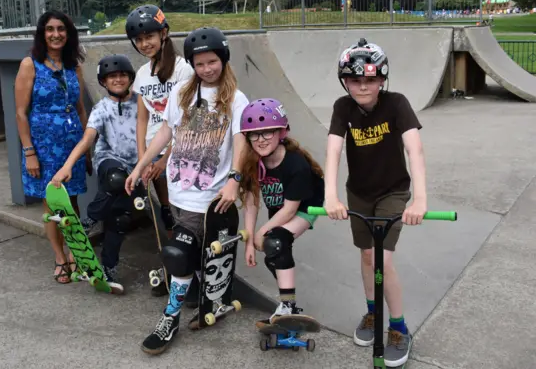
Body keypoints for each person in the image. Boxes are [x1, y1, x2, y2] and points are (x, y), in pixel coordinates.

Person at [124, 26, 249, 355]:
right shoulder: (182, 92)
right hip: (178, 193)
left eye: (212, 61)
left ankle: (170, 317)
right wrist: (141, 165)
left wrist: (235, 179)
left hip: (208, 199)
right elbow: (166, 131)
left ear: (223, 59)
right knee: (196, 253)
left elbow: (241, 141)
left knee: (176, 254)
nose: (207, 68)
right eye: (200, 63)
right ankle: (210, 298)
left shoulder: (236, 99)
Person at [323, 38, 427, 368]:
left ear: (382, 80)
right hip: (360, 192)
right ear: (345, 81)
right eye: (355, 80)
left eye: (370, 80)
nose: (362, 87)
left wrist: (420, 199)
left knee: (382, 258)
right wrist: (330, 195)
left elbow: (415, 150)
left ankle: (398, 327)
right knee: (367, 256)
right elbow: (333, 151)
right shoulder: (343, 108)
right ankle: (372, 313)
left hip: (393, 192)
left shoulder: (396, 104)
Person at [49, 54, 141, 295]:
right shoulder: (102, 108)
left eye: (122, 75)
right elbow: (88, 138)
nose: (118, 80)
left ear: (130, 78)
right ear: (103, 82)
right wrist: (68, 165)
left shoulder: (142, 103)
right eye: (112, 77)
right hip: (109, 164)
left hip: (136, 169)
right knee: (115, 179)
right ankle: (88, 222)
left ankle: (108, 268)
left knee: (119, 221)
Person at [14, 10, 92, 285]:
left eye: (61, 29)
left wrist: (87, 150)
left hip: (72, 145)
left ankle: (75, 252)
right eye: (50, 29)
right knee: (52, 204)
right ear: (42, 34)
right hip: (44, 148)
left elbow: (81, 109)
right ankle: (59, 256)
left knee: (71, 201)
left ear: (68, 34)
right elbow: (21, 113)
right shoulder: (30, 65)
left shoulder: (74, 67)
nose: (56, 34)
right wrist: (29, 153)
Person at [125, 4, 195, 297]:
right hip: (154, 152)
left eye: (149, 36)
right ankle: (174, 268)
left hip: (179, 151)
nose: (145, 43)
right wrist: (143, 160)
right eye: (139, 40)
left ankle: (192, 274)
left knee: (184, 215)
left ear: (164, 33)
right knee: (167, 214)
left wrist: (166, 159)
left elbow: (187, 120)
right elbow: (142, 118)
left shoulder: (182, 69)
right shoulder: (142, 73)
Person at [237, 98, 325, 328]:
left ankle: (287, 306)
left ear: (281, 132)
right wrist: (249, 241)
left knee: (276, 243)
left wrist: (263, 231)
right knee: (272, 251)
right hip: (280, 207)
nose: (261, 140)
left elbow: (291, 209)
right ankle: (290, 304)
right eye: (254, 135)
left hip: (304, 206)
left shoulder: (296, 164)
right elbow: (251, 201)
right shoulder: (251, 162)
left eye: (267, 133)